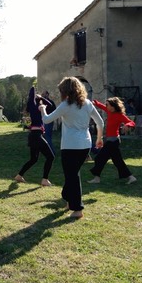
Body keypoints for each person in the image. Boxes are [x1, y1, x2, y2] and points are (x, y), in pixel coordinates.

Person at [39, 76, 104, 219]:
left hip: (70, 146)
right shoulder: (87, 103)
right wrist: (99, 139)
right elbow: (100, 122)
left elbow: (46, 119)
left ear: (64, 91)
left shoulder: (65, 105)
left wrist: (43, 109)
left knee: (72, 176)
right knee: (73, 174)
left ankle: (77, 209)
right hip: (85, 145)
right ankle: (68, 199)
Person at [88, 97, 137, 185]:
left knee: (99, 158)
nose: (106, 106)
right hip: (111, 141)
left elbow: (131, 122)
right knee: (117, 161)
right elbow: (101, 106)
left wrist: (127, 125)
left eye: (107, 104)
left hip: (113, 142)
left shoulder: (119, 115)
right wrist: (95, 102)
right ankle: (131, 177)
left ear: (113, 107)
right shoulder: (109, 111)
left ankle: (97, 178)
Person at [14, 85, 55, 187]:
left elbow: (51, 106)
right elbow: (33, 91)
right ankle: (45, 180)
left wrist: (40, 97)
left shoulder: (38, 108)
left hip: (33, 136)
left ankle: (19, 176)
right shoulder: (34, 106)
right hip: (37, 136)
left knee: (33, 159)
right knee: (51, 157)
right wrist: (38, 94)